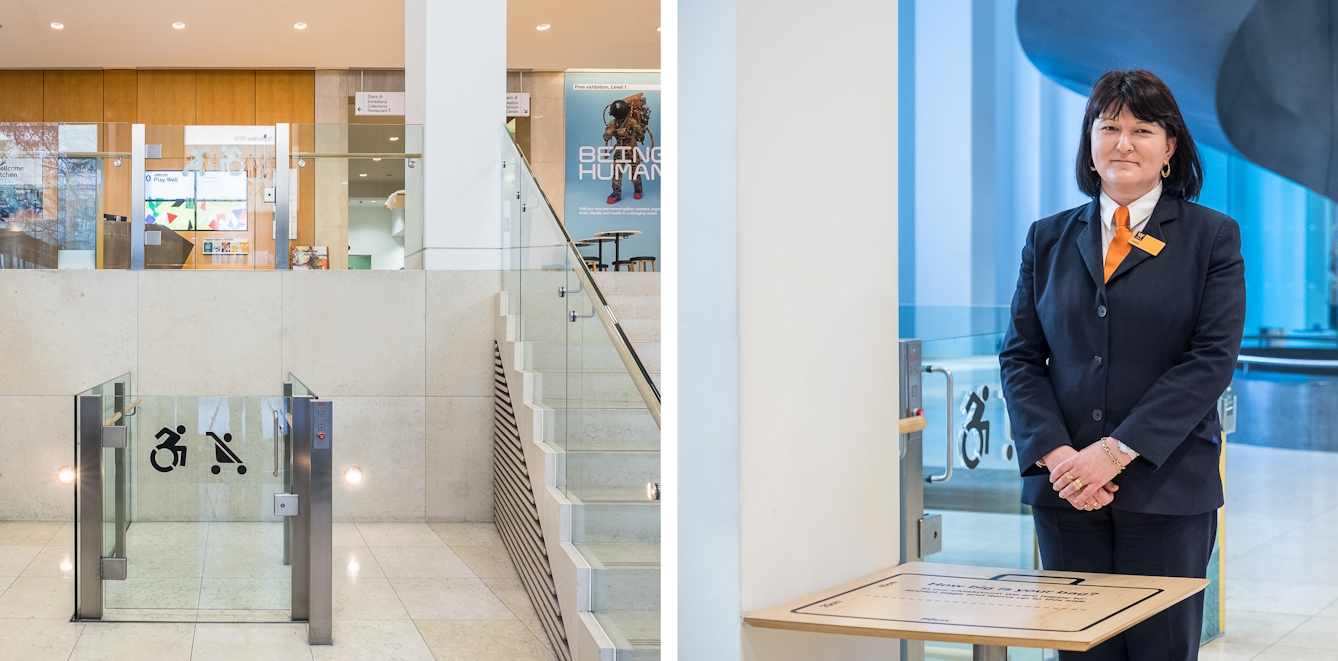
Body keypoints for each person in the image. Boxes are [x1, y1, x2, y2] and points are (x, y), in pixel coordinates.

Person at [999, 69, 1245, 661]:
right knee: (1079, 652)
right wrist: (1061, 458)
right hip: (1067, 492)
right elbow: (1021, 356)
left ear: (1170, 147)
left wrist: (1112, 452)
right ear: (1089, 141)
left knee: (1160, 651)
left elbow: (1209, 361)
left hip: (1166, 488)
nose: (1123, 143)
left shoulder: (1210, 237)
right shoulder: (1048, 238)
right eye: (1109, 127)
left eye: (1142, 129)